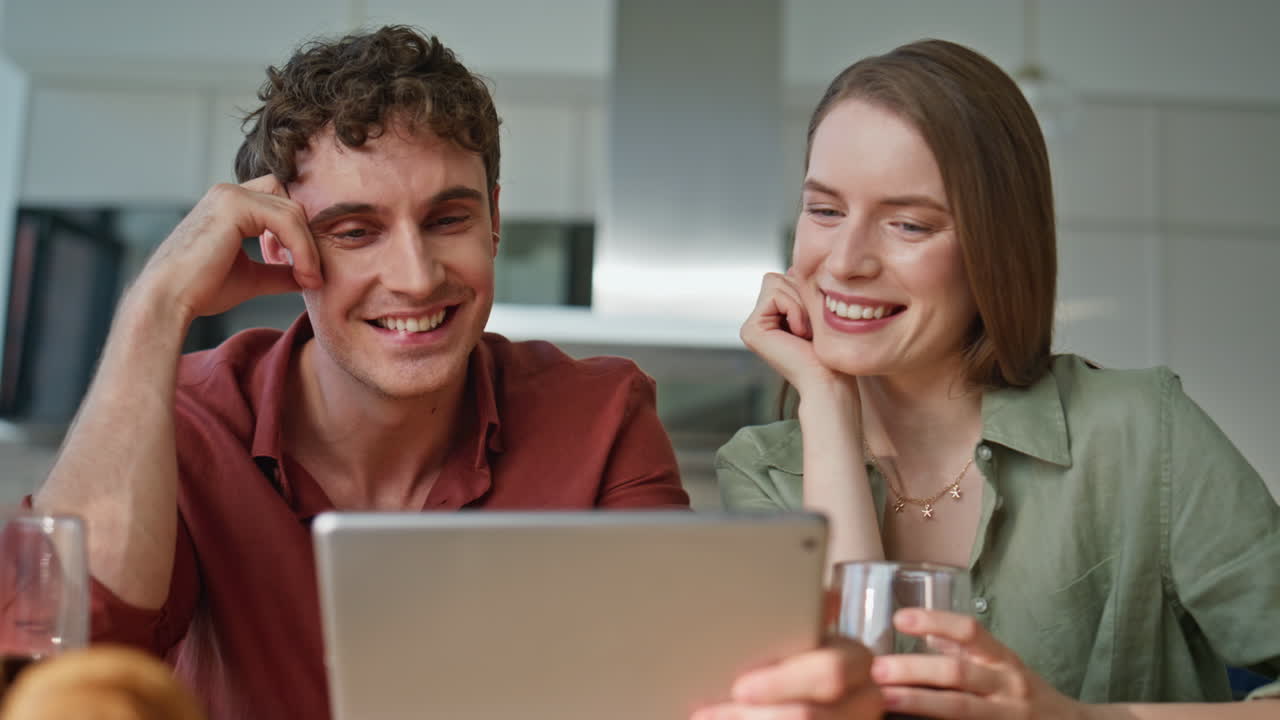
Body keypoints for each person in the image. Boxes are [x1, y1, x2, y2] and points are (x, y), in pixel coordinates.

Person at [31, 26, 880, 720]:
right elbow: (68, 653)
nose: (415, 275)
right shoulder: (185, 418)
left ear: (496, 221)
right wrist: (157, 304)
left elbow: (675, 691)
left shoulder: (603, 414)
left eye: (447, 218)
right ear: (281, 245)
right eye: (355, 229)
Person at [717, 38, 1280, 719]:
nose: (844, 262)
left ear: (996, 245)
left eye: (907, 224)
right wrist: (829, 407)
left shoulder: (1139, 432)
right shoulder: (764, 472)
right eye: (826, 210)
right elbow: (847, 699)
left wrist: (1075, 718)